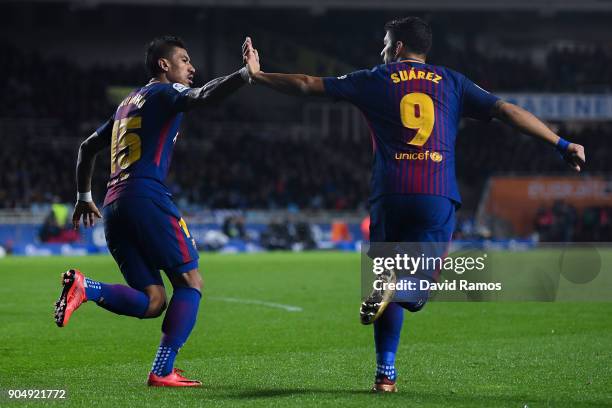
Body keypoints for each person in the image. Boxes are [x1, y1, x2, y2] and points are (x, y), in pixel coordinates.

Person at [242, 16, 585, 392]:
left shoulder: (374, 78)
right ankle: (397, 295)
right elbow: (507, 111)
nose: (382, 50)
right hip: (434, 193)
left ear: (399, 47)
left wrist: (258, 75)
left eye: (386, 43)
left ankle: (385, 375)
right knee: (417, 287)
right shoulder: (453, 81)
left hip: (389, 196)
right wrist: (561, 144)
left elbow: (307, 84)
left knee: (388, 280)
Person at [54, 36, 259, 387]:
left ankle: (86, 288)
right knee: (191, 283)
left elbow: (88, 147)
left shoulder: (126, 105)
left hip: (113, 205)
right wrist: (245, 74)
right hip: (146, 196)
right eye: (184, 60)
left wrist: (83, 196)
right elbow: (203, 96)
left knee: (152, 301)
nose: (191, 67)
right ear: (164, 65)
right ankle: (163, 369)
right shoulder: (164, 93)